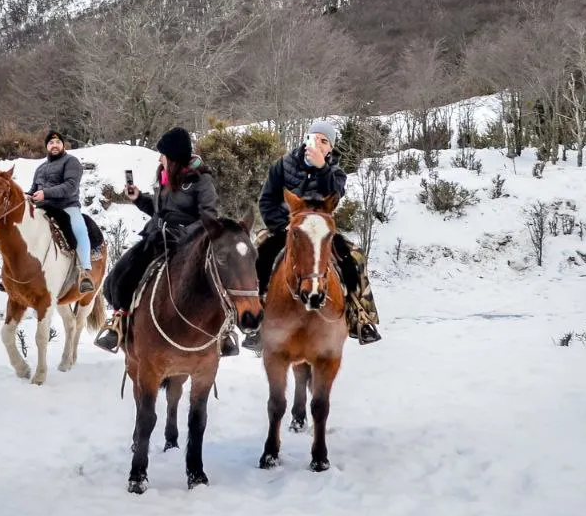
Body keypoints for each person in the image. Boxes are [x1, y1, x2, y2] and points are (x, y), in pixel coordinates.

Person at [93, 126, 235, 355]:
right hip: (157, 238)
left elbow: (209, 217)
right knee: (123, 272)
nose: (160, 158)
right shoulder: (165, 176)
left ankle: (225, 332)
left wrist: (182, 231)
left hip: (189, 243)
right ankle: (119, 321)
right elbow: (160, 211)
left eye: (163, 154)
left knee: (217, 277)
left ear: (175, 156)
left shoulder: (201, 180)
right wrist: (139, 199)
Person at [245, 119, 382, 350]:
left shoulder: (335, 173)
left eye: (324, 141)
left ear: (330, 148)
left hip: (319, 230)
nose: (318, 143)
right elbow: (266, 200)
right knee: (258, 250)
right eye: (314, 138)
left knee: (355, 256)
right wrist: (282, 226)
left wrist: (322, 169)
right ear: (305, 139)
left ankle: (360, 316)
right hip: (286, 227)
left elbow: (334, 198)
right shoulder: (283, 165)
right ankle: (257, 318)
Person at [27, 131, 94, 292]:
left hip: (66, 206)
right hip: (44, 208)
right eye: (51, 143)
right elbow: (33, 190)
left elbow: (71, 187)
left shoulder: (71, 162)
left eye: (57, 142)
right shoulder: (40, 168)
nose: (54, 145)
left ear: (63, 145)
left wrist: (46, 194)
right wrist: (27, 196)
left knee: (79, 229)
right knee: (23, 231)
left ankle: (84, 272)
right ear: (47, 147)